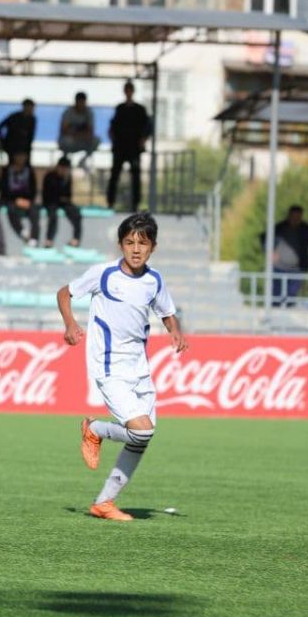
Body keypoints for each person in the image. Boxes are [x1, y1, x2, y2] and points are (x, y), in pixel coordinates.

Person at [58, 212, 186, 523]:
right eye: (129, 243)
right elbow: (65, 293)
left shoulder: (154, 280)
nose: (136, 249)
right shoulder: (103, 274)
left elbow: (166, 310)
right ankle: (95, 429)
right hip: (109, 367)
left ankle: (104, 502)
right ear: (121, 245)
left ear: (152, 247)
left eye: (142, 243)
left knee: (141, 438)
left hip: (139, 369)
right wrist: (71, 324)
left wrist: (175, 330)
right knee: (142, 430)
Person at [262, 205, 308, 306]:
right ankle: (275, 315)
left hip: (298, 268)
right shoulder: (280, 227)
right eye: (294, 216)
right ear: (289, 215)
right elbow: (264, 238)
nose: (296, 219)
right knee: (276, 295)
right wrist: (269, 251)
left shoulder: (306, 229)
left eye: (298, 217)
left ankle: (288, 315)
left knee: (291, 294)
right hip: (279, 267)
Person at [106, 81, 150, 211]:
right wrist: (113, 139)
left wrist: (143, 140)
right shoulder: (120, 108)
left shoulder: (139, 110)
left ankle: (135, 204)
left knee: (135, 177)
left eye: (130, 90)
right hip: (120, 147)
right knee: (115, 175)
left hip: (134, 148)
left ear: (132, 92)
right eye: (127, 90)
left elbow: (147, 127)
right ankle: (111, 202)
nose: (128, 93)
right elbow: (112, 127)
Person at [1, 150, 39, 246]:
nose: (21, 159)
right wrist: (16, 200)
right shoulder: (8, 171)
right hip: (11, 200)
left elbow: (33, 189)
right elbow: (4, 189)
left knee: (35, 211)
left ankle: (34, 238)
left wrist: (28, 201)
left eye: (23, 156)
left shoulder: (29, 171)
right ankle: (23, 232)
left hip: (27, 200)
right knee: (11, 209)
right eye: (19, 156)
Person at [42, 157, 81, 248]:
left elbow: (68, 195)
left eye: (66, 169)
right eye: (62, 168)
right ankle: (49, 240)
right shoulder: (50, 177)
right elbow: (48, 194)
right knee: (53, 216)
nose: (64, 171)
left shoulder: (67, 178)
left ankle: (76, 239)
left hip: (63, 203)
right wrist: (59, 197)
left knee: (77, 214)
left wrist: (63, 198)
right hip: (50, 202)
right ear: (58, 167)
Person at [59, 91, 99, 169]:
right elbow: (64, 130)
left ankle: (84, 160)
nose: (81, 105)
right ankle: (65, 161)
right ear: (76, 102)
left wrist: (80, 135)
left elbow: (91, 131)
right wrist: (74, 134)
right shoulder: (68, 112)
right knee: (66, 141)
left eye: (83, 102)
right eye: (79, 102)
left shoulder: (89, 112)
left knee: (96, 140)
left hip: (82, 140)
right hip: (70, 140)